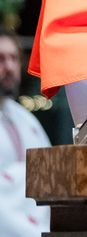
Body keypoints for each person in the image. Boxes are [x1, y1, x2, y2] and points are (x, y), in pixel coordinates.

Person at [0, 32, 50, 237]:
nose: (9, 66)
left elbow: (50, 177)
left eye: (14, 58)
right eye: (1, 59)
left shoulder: (28, 121)